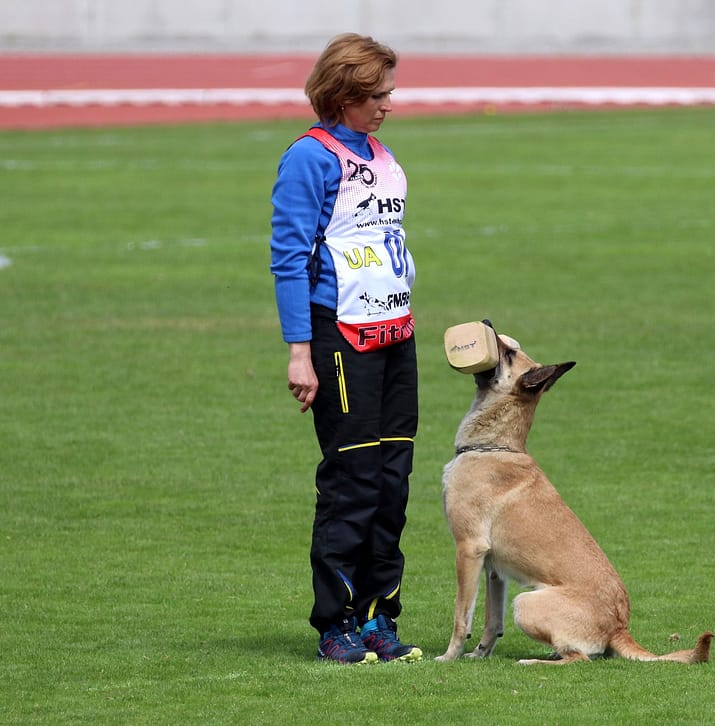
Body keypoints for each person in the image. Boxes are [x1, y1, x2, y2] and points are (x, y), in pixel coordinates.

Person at [269, 33, 421, 665]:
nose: (389, 102)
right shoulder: (309, 157)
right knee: (352, 481)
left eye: (388, 90)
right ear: (345, 94)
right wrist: (299, 351)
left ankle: (378, 618)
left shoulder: (380, 152)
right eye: (378, 93)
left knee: (392, 482)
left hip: (395, 336)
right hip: (340, 339)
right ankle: (336, 624)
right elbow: (289, 257)